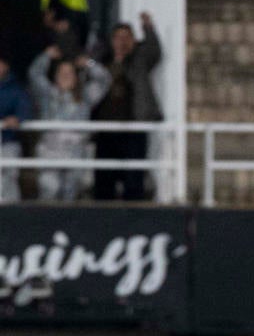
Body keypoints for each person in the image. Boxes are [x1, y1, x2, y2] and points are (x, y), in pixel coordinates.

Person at [91, 13, 160, 201]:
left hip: (133, 128)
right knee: (104, 181)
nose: (122, 41)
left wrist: (148, 28)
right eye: (118, 37)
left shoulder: (140, 60)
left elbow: (154, 52)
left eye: (127, 37)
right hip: (106, 130)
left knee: (133, 180)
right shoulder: (101, 63)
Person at [26, 45, 105, 200]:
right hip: (50, 154)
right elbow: (34, 74)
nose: (66, 76)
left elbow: (104, 80)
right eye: (62, 73)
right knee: (49, 192)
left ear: (76, 76)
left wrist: (89, 64)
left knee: (71, 195)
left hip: (76, 154)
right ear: (55, 76)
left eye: (70, 73)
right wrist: (46, 56)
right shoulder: (48, 94)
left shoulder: (85, 97)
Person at [0, 56, 32, 203]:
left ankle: (12, 213)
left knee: (8, 177)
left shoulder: (15, 88)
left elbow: (24, 109)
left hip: (8, 140)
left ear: (6, 66)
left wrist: (17, 118)